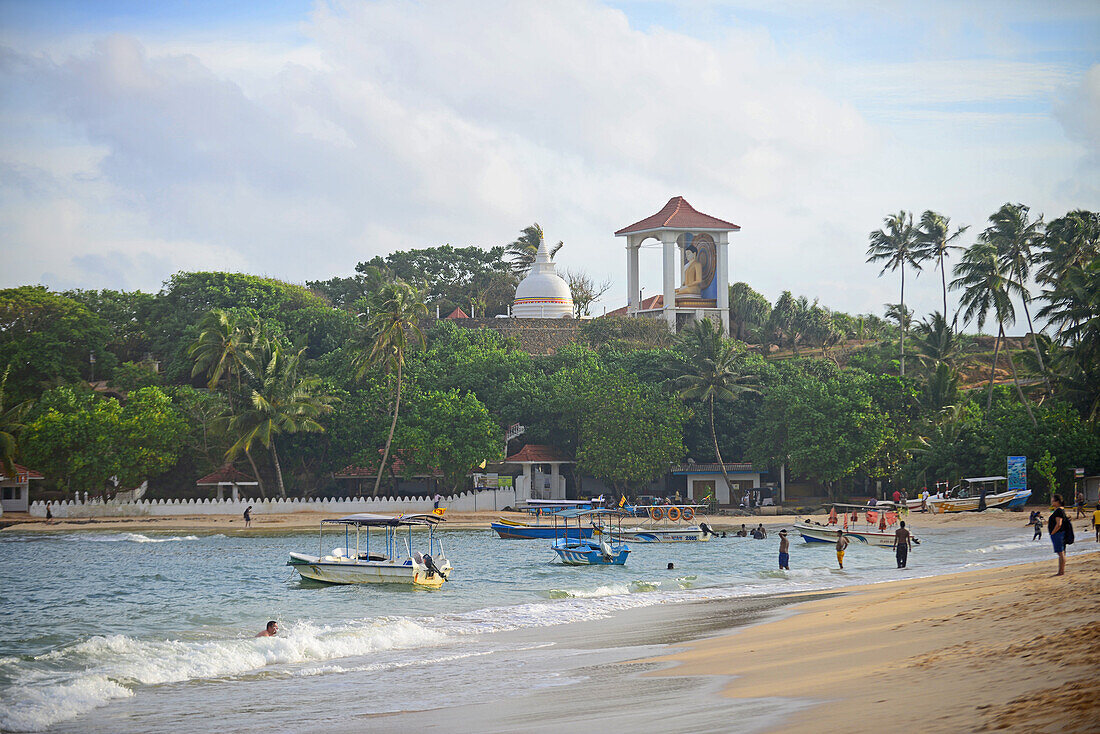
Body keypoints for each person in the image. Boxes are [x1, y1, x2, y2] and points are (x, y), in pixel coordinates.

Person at [1048, 494, 1068, 576]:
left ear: (1057, 502)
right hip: (1060, 533)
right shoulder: (1060, 510)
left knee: (1061, 553)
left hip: (1058, 534)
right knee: (1061, 553)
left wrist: (1053, 532)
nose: (1052, 502)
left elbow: (1059, 524)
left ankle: (1061, 571)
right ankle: (1061, 571)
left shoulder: (1059, 511)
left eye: (1053, 501)